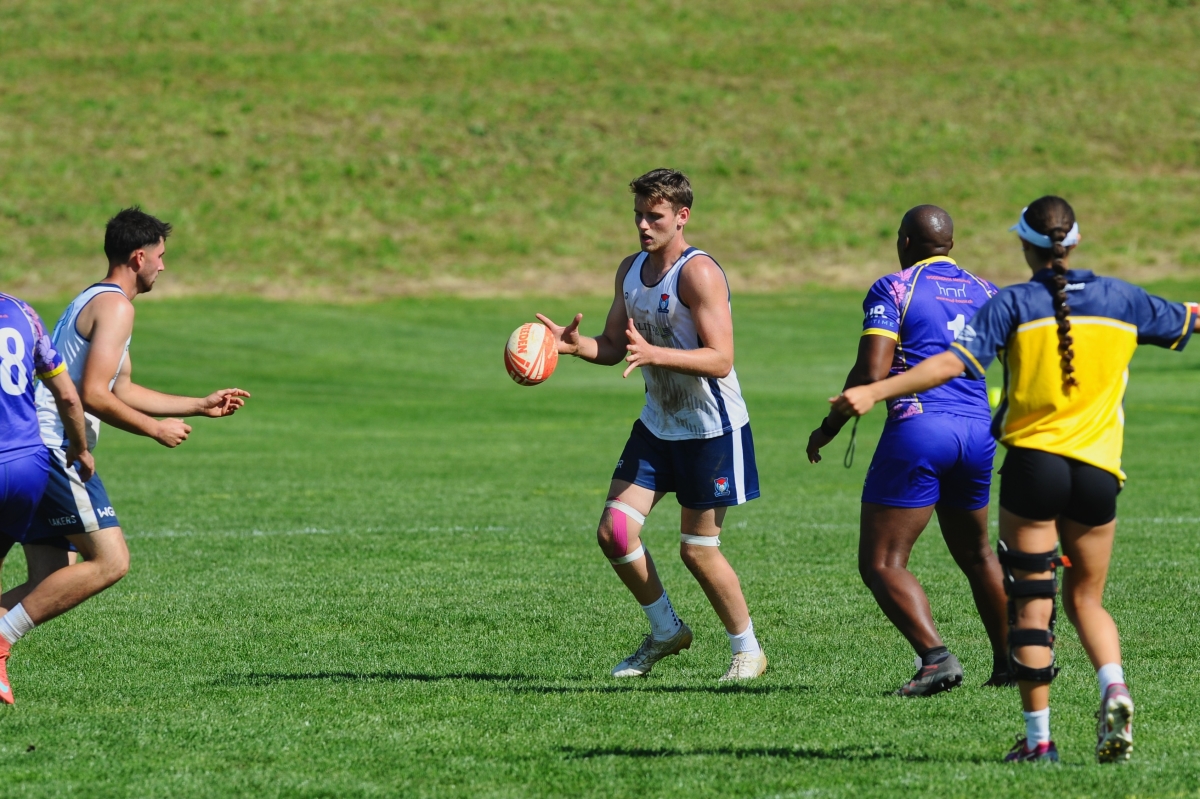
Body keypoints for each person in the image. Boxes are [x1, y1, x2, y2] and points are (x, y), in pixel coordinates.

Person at [831, 196, 1197, 763]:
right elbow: (1191, 317)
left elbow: (951, 362)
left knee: (1027, 601)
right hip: (1097, 468)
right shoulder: (1118, 298)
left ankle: (1036, 737)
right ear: (1075, 241)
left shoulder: (1011, 303)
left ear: (1026, 243)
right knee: (1084, 598)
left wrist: (874, 391)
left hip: (1025, 464)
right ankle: (1111, 686)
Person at [0, 207, 251, 702]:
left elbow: (123, 387)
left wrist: (199, 405)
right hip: (55, 448)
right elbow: (93, 394)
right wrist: (154, 430)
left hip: (37, 445)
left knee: (51, 578)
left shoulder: (94, 298)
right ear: (139, 257)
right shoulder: (117, 307)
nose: (163, 266)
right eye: (160, 256)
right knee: (111, 561)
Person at [536, 169, 766, 680]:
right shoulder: (630, 269)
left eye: (654, 216)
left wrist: (655, 353)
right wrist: (575, 347)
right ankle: (666, 631)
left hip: (710, 428)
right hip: (659, 424)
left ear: (682, 217)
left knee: (697, 551)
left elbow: (721, 359)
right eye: (638, 215)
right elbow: (613, 345)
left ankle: (748, 650)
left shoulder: (698, 274)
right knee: (615, 533)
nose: (643, 225)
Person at [806, 205, 1011, 696]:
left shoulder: (895, 287)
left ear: (904, 243)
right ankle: (1014, 662)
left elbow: (872, 371)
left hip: (919, 428)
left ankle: (935, 659)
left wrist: (830, 426)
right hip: (978, 433)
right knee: (977, 553)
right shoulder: (988, 291)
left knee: (882, 562)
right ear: (951, 245)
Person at [0, 290, 94, 703]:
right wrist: (81, 448)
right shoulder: (22, 311)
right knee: (54, 566)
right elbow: (67, 395)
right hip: (29, 467)